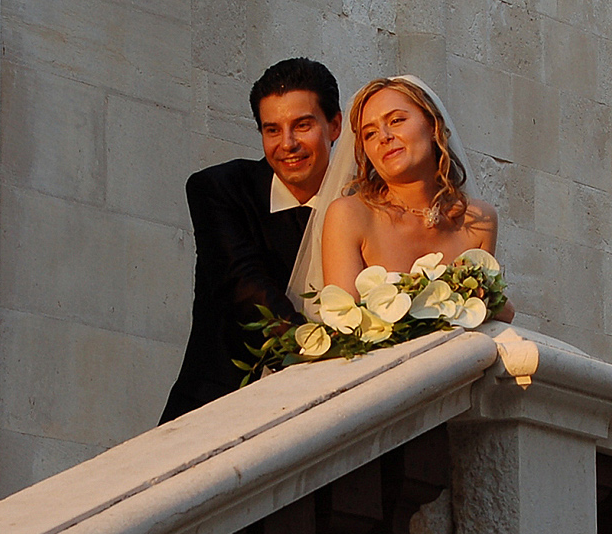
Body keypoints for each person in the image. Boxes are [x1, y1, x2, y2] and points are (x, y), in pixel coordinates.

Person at [159, 58, 341, 422]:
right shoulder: (219, 189)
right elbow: (243, 286)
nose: (287, 144)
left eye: (302, 125)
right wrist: (326, 365)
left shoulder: (362, 206)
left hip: (332, 417)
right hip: (217, 408)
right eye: (272, 130)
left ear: (334, 125)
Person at [291, 75, 512, 319]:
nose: (384, 136)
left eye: (396, 120)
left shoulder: (479, 220)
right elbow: (345, 325)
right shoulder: (349, 215)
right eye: (370, 134)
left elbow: (489, 315)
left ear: (432, 125)